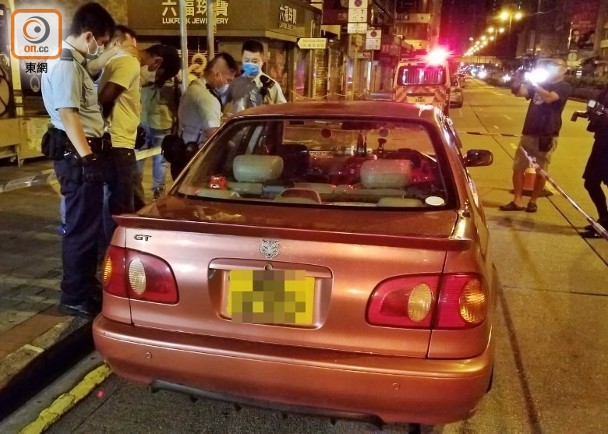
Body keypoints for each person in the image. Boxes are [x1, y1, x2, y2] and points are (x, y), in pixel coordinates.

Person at [41, 2, 115, 318]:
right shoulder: (67, 65)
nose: (102, 49)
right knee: (81, 229)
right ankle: (74, 295)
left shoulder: (73, 63)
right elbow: (69, 114)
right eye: (102, 42)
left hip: (79, 153)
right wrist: (88, 158)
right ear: (88, 36)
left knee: (87, 225)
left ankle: (84, 286)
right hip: (76, 156)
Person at [500, 58, 571, 213]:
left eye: (556, 65)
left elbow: (549, 98)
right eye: (550, 65)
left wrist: (535, 84)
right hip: (529, 131)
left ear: (565, 69)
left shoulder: (563, 86)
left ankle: (533, 201)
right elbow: (520, 92)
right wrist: (517, 80)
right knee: (518, 167)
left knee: (541, 170)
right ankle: (517, 200)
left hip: (547, 134)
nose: (552, 67)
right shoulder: (541, 83)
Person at [97, 25, 141, 246]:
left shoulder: (110, 64)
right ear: (116, 43)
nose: (135, 49)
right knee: (121, 207)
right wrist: (104, 120)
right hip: (118, 142)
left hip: (115, 140)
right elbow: (106, 96)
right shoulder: (127, 62)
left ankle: (110, 250)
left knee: (118, 201)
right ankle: (116, 253)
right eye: (131, 43)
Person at [174, 52, 239, 178]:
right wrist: (236, 147)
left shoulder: (194, 87)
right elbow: (213, 134)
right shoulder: (207, 98)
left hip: (181, 152)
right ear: (217, 75)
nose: (228, 85)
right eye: (228, 80)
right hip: (195, 159)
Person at [138, 44, 181, 200]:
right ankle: (138, 188)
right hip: (144, 122)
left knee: (158, 160)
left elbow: (178, 102)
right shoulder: (145, 71)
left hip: (161, 123)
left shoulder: (174, 78)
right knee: (141, 158)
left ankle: (157, 190)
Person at [227, 40, 286, 113]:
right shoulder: (233, 84)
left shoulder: (272, 86)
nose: (250, 64)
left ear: (262, 61)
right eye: (247, 61)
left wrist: (272, 108)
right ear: (242, 59)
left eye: (255, 61)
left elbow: (284, 113)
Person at [580, 89, 608, 238]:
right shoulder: (605, 91)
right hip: (601, 141)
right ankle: (604, 219)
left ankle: (606, 224)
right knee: (590, 182)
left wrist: (603, 112)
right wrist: (591, 109)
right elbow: (595, 103)